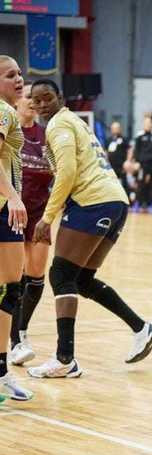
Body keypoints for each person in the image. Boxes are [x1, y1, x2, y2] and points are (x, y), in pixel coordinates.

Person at [27, 79, 152, 378]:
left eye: (46, 98)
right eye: (35, 100)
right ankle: (142, 328)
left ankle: (65, 358)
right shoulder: (74, 121)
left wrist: (47, 217)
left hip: (93, 202)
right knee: (82, 279)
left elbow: (67, 171)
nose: (40, 104)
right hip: (115, 201)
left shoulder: (58, 126)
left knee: (61, 275)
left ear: (60, 98)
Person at [9, 83, 52, 368]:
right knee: (13, 278)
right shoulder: (10, 132)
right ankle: (14, 341)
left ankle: (21, 330)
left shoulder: (46, 136)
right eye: (28, 98)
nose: (33, 103)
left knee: (36, 277)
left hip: (39, 214)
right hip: (12, 212)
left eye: (37, 100)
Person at [0, 56, 33, 401]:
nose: (19, 79)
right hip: (3, 211)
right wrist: (12, 196)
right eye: (11, 75)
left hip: (7, 211)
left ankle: (1, 371)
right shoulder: (4, 111)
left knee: (9, 291)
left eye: (20, 73)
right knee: (9, 291)